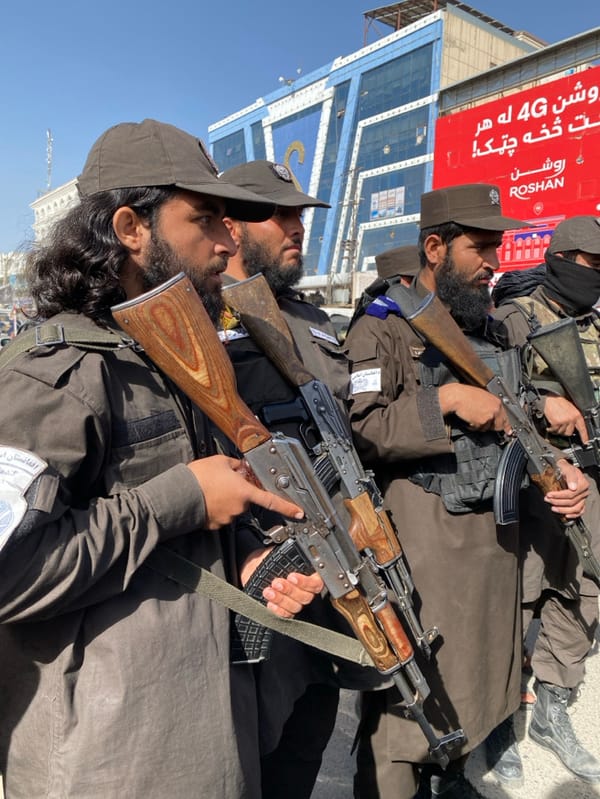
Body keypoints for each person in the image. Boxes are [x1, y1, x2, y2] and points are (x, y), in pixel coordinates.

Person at [0, 119, 326, 799]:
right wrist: (183, 498)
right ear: (129, 227)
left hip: (204, 735)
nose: (227, 239)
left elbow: (172, 527)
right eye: (203, 218)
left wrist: (244, 557)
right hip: (108, 763)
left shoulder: (171, 358)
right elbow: (11, 570)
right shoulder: (52, 373)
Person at [344, 184, 590, 799]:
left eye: (497, 247)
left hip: (498, 538)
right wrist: (446, 400)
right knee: (413, 691)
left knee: (483, 675)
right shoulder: (384, 327)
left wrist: (563, 466)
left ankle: (453, 768)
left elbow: (515, 414)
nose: (493, 262)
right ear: (435, 246)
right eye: (479, 247)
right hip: (428, 544)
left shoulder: (495, 326)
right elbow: (364, 428)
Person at [217, 159, 348, 799]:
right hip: (254, 571)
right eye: (280, 214)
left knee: (307, 735)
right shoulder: (194, 317)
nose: (297, 228)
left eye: (299, 215)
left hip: (327, 555)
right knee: (248, 754)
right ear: (231, 226)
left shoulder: (309, 315)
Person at [486, 215, 600, 786]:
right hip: (533, 474)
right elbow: (491, 389)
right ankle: (502, 717)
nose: (598, 278)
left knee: (583, 587)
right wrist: (540, 407)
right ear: (563, 260)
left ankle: (554, 707)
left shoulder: (595, 319)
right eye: (592, 267)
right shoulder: (514, 314)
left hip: (591, 476)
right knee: (520, 590)